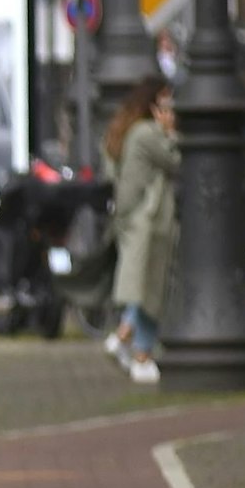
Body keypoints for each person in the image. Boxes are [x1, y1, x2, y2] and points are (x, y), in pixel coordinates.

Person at [102, 76, 179, 385]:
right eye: (165, 104)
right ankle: (141, 354)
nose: (171, 110)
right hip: (149, 219)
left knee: (144, 284)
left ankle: (123, 337)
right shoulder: (148, 134)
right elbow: (177, 160)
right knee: (149, 287)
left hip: (137, 219)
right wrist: (171, 133)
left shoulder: (127, 131)